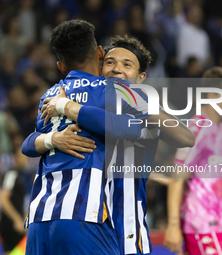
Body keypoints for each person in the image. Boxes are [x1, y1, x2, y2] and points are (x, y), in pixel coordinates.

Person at [22, 32, 195, 255]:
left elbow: (185, 137)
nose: (116, 68)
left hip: (126, 228)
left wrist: (67, 105)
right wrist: (52, 138)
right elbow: (30, 142)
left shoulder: (138, 102)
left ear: (140, 77)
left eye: (127, 64)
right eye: (110, 62)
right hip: (92, 219)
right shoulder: (98, 100)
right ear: (100, 67)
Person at [164, 67, 222, 255]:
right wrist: (173, 225)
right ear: (213, 96)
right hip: (200, 225)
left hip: (219, 226)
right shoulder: (196, 130)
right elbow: (177, 179)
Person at [0, 146, 28, 255]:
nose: (26, 158)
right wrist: (16, 219)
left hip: (15, 223)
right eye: (22, 156)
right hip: (9, 223)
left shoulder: (21, 174)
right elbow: (3, 198)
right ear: (15, 157)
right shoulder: (12, 173)